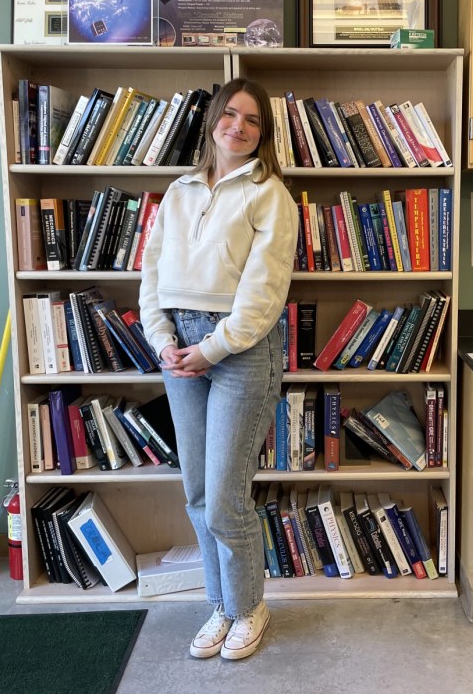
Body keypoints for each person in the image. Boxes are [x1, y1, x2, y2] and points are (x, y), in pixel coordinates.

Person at [139, 77, 299, 660]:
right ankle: (221, 606)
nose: (239, 126)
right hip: (178, 349)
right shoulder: (178, 191)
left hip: (238, 351)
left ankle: (249, 608)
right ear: (212, 121)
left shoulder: (269, 195)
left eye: (253, 120)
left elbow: (263, 295)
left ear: (264, 134)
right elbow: (150, 276)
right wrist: (163, 341)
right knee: (197, 493)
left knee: (227, 495)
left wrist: (210, 348)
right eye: (230, 114)